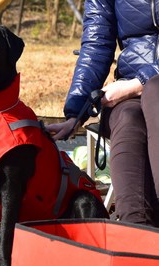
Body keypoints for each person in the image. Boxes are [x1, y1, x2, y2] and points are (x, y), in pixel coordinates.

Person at [46, 0, 159, 227]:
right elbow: (97, 44)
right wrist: (76, 113)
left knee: (155, 92)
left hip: (148, 87)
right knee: (127, 118)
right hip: (132, 89)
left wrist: (140, 83)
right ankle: (136, 236)